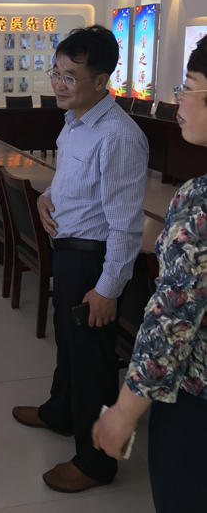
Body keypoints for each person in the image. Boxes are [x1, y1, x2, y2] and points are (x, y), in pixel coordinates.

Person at [11, 26, 149, 493]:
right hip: (69, 253)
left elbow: (126, 225)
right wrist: (46, 198)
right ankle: (61, 412)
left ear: (102, 80)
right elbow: (67, 180)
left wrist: (108, 288)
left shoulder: (118, 137)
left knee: (93, 362)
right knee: (70, 346)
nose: (58, 83)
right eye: (55, 72)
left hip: (94, 262)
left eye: (70, 76)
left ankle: (97, 462)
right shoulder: (74, 121)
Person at [92, 35, 207, 513]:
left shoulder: (199, 201)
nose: (179, 100)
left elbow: (174, 321)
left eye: (188, 87)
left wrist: (123, 411)